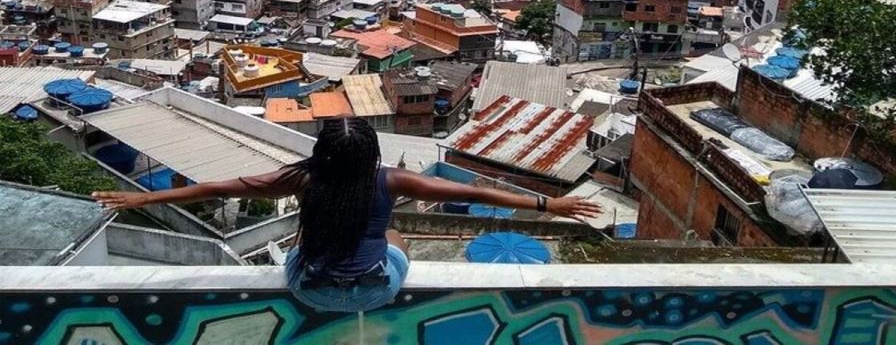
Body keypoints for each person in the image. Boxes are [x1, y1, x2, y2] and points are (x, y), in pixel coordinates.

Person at [92, 117, 602, 312]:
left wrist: (141, 199)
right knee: (395, 234)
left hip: (306, 287)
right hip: (377, 289)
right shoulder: (393, 181)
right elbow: (485, 194)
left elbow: (214, 186)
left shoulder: (300, 179)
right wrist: (547, 204)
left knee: (299, 244)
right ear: (371, 155)